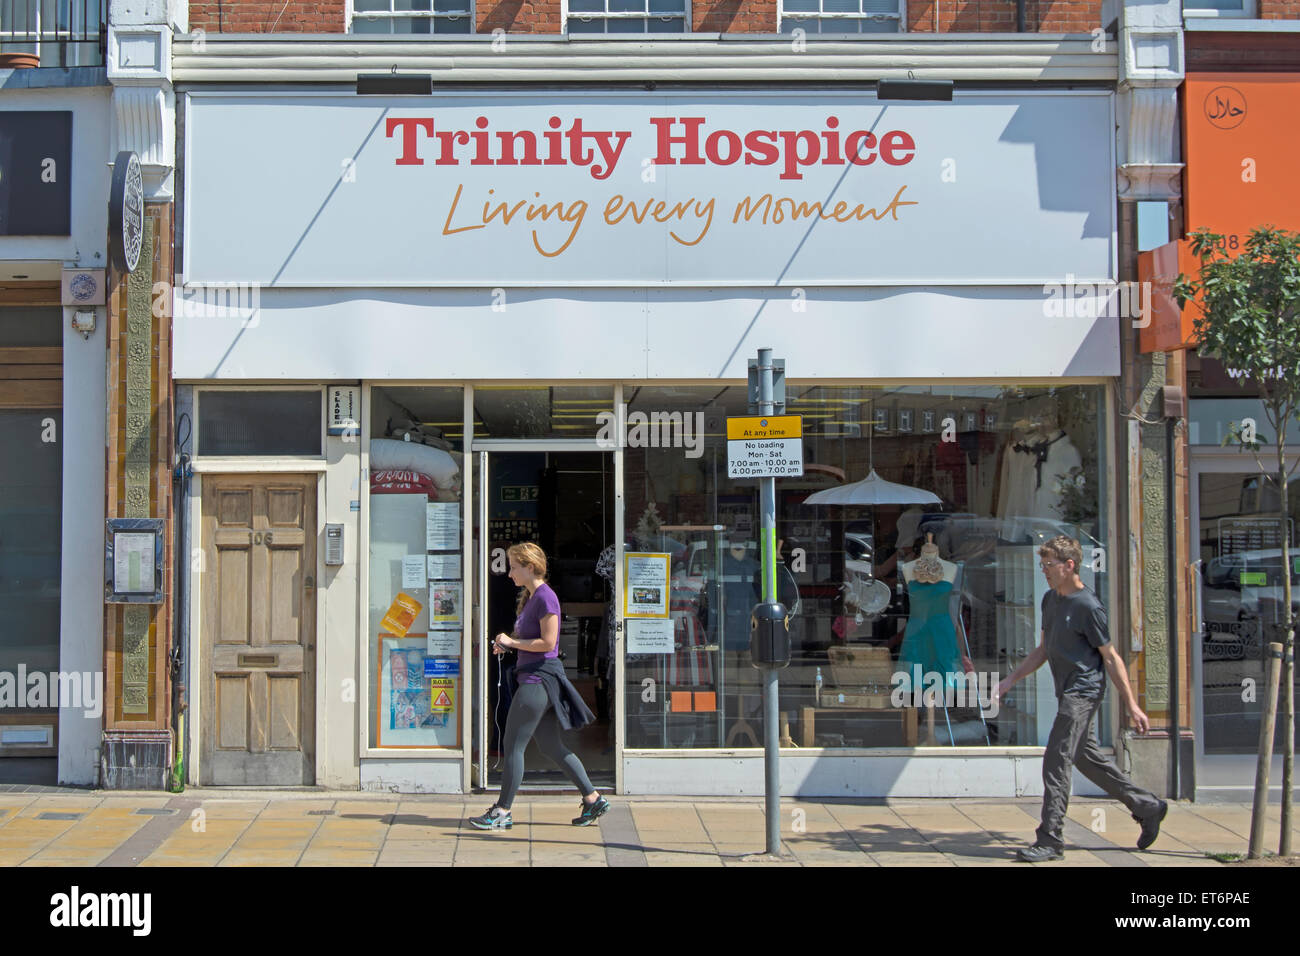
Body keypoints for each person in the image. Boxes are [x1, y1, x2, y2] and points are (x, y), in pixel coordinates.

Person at [993, 535, 1168, 861]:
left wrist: (1131, 704)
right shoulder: (1050, 600)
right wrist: (1009, 680)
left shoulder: (1088, 606)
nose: (1044, 570)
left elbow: (1112, 657)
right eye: (1042, 565)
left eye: (1049, 565)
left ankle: (1050, 839)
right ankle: (1148, 806)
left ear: (1069, 565)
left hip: (1083, 692)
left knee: (1056, 759)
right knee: (1086, 758)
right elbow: (1044, 649)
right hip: (1067, 691)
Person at [469, 542, 611, 830]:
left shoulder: (546, 597)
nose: (510, 574)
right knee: (550, 745)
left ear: (529, 567)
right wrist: (509, 646)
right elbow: (534, 642)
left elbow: (548, 643)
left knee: (512, 746)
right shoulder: (533, 597)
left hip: (538, 680)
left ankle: (502, 811)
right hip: (536, 677)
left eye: (514, 567)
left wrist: (511, 642)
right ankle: (593, 798)